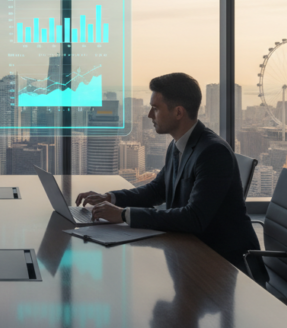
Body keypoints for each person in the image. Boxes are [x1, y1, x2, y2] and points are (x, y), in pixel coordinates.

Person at [76, 73, 266, 281]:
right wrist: (111, 198)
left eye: (155, 108)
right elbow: (157, 190)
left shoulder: (213, 152)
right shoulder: (178, 145)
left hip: (228, 264)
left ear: (178, 112)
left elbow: (194, 218)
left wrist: (123, 215)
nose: (149, 115)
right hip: (192, 249)